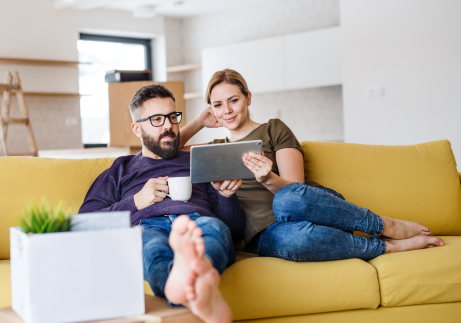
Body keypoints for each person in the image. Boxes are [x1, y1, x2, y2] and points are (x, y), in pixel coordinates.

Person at [179, 69, 444, 261]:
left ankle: (385, 226)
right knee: (297, 240)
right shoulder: (215, 149)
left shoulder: (273, 129)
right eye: (218, 105)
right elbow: (166, 151)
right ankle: (389, 247)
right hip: (266, 234)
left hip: (313, 209)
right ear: (212, 110)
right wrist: (197, 123)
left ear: (248, 98)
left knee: (286, 200)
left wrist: (268, 178)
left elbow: (296, 190)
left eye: (233, 100)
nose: (226, 110)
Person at [79, 83, 245, 323]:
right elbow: (84, 224)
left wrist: (227, 196)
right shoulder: (120, 168)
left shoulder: (198, 160)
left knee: (213, 229)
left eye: (172, 117)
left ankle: (191, 282)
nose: (168, 125)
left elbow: (234, 232)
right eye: (156, 119)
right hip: (147, 224)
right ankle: (198, 288)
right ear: (137, 128)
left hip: (197, 221)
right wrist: (135, 202)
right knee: (150, 245)